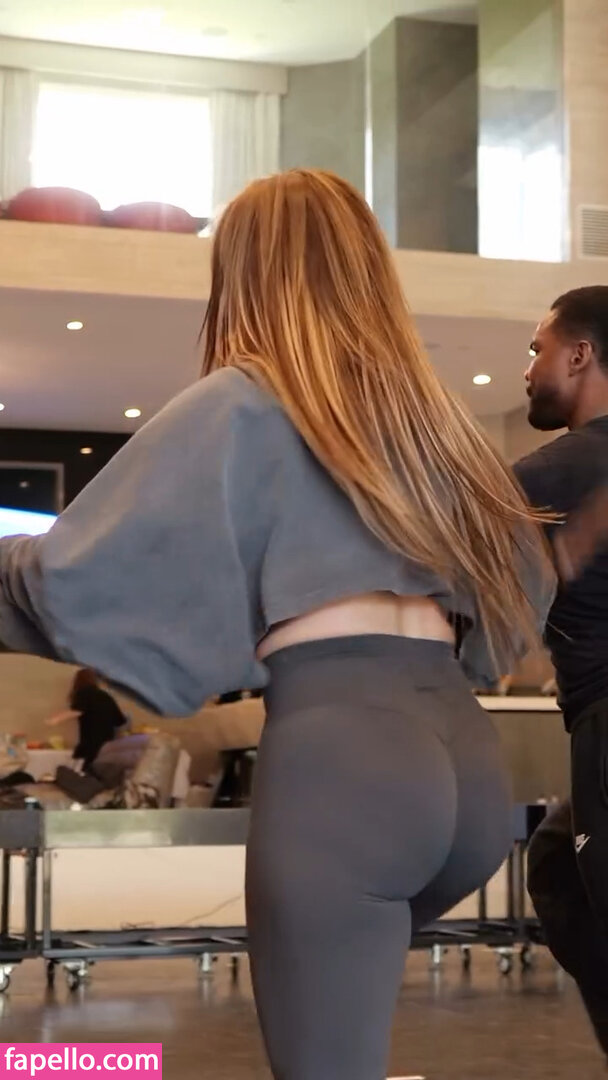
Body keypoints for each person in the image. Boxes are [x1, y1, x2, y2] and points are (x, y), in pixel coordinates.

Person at [0, 169, 555, 1080]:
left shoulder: (242, 401)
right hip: (467, 765)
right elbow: (526, 574)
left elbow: (76, 573)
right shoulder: (436, 422)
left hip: (346, 765)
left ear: (244, 271)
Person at [514, 285, 608, 1059]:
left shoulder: (550, 472)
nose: (528, 368)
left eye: (537, 349)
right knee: (554, 862)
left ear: (579, 355)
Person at [47, 667, 127, 770]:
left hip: (90, 745)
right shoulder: (106, 696)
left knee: (80, 772)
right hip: (107, 747)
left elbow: (77, 711)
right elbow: (120, 721)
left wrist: (55, 719)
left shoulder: (84, 692)